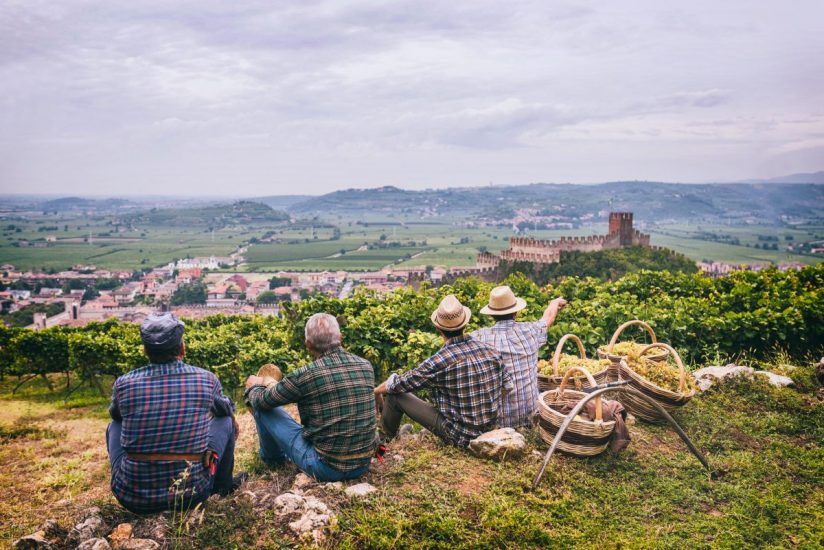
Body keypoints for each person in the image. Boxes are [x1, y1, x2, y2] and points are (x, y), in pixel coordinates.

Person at [106, 313, 243, 514]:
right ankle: (222, 486)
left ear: (145, 350)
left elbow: (116, 415)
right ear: (182, 347)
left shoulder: (124, 383)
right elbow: (225, 410)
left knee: (114, 425)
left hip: (132, 497)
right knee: (225, 419)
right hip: (193, 493)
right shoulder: (206, 379)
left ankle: (132, 475)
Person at [244, 313, 376, 481]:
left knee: (263, 409)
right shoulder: (366, 365)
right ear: (340, 337)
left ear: (308, 344)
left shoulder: (305, 375)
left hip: (326, 468)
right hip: (363, 464)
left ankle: (273, 459)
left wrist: (254, 386)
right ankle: (274, 457)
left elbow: (261, 401)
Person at [374, 294, 511, 447]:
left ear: (438, 327)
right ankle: (396, 437)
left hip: (459, 436)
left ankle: (384, 441)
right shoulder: (490, 350)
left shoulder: (439, 361)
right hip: (490, 432)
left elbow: (399, 384)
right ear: (465, 323)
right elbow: (507, 386)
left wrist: (377, 391)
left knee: (395, 396)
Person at [471, 286, 567, 428]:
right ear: (515, 312)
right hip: (531, 417)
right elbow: (549, 317)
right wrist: (554, 303)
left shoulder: (478, 337)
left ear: (491, 315)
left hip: (498, 423)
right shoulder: (530, 330)